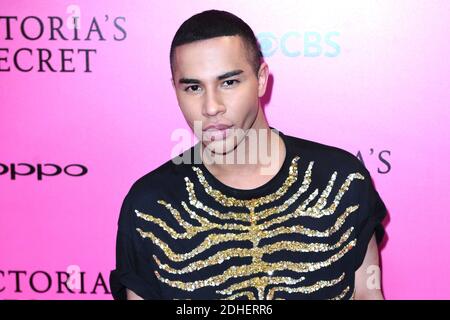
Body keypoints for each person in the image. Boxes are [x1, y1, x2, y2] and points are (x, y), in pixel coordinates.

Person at [109, 9, 387, 300]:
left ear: (262, 79)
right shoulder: (151, 204)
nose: (211, 106)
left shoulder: (340, 180)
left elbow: (367, 294)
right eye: (193, 87)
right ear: (175, 91)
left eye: (229, 82)